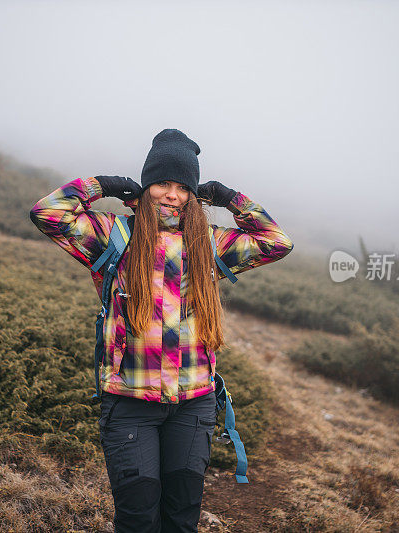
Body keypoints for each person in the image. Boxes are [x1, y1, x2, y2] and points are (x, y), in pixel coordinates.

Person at [29, 128, 293, 532]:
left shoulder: (209, 243)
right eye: (163, 184)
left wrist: (228, 198)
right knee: (138, 519)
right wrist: (104, 186)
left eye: (183, 187)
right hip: (130, 401)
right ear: (146, 185)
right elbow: (48, 213)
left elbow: (276, 241)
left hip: (195, 402)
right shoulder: (114, 235)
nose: (172, 195)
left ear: (192, 195)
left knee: (181, 520)